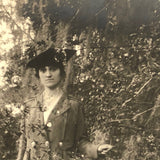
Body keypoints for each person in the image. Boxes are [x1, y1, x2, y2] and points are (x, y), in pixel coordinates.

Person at [17, 47, 113, 160]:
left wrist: (96, 149)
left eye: (53, 69)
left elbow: (81, 142)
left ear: (61, 73)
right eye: (43, 70)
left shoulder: (73, 105)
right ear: (39, 75)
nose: (48, 74)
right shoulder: (29, 105)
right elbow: (24, 141)